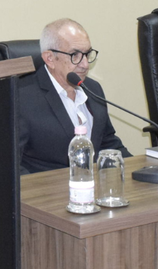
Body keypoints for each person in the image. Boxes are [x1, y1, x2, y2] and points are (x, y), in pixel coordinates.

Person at [18, 18, 130, 174]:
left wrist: (138, 171)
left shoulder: (93, 89)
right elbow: (10, 164)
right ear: (50, 58)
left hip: (92, 184)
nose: (85, 64)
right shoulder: (21, 98)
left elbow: (108, 143)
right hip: (47, 187)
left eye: (87, 54)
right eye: (74, 55)